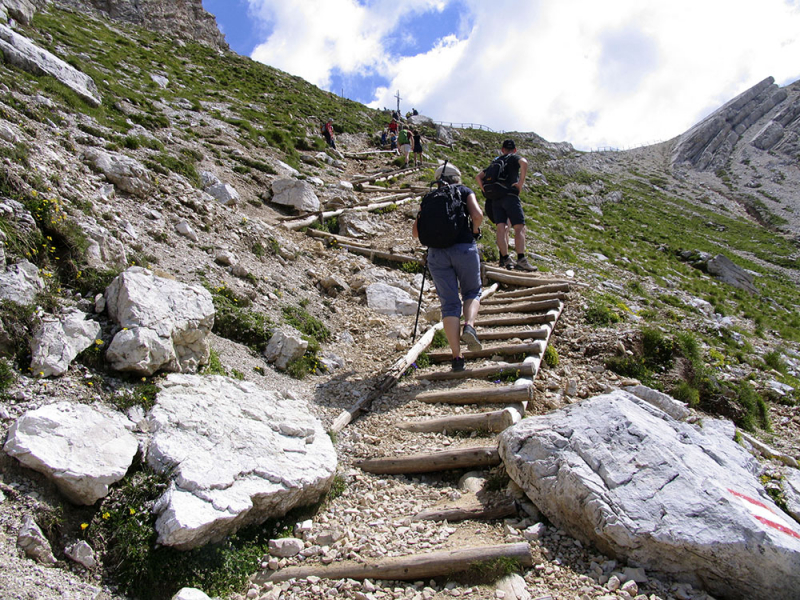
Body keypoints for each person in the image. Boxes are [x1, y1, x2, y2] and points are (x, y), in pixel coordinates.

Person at [412, 163, 483, 372]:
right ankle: (469, 326)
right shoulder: (464, 191)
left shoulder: (429, 198)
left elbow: (416, 233)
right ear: (457, 178)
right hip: (464, 249)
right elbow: (477, 215)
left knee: (450, 305)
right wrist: (475, 230)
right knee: (472, 291)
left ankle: (457, 358)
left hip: (436, 254)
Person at [476, 139, 535, 271]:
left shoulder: (495, 162)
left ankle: (505, 259)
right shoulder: (514, 158)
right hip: (510, 196)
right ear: (514, 150)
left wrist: (484, 190)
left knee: (501, 228)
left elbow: (478, 177)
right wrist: (520, 183)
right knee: (519, 227)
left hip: (495, 199)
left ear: (502, 149)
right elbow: (524, 162)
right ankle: (521, 260)